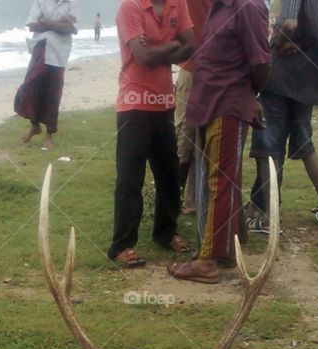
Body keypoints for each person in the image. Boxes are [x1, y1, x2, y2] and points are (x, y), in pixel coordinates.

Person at [169, 0, 270, 284]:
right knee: (218, 181)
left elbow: (260, 62)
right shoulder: (220, 6)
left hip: (229, 104)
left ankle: (207, 263)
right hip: (209, 103)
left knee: (221, 181)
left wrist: (252, 96)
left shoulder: (248, 6)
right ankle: (223, 250)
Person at [107, 0, 195, 269]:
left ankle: (166, 232)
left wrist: (159, 50)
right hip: (133, 103)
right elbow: (142, 58)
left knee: (169, 172)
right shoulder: (131, 7)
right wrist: (172, 48)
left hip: (164, 104)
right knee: (130, 177)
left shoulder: (177, 4)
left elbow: (191, 46)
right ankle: (122, 245)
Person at [246, 0, 318, 235]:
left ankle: (271, 218)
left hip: (283, 75)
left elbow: (289, 24)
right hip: (312, 78)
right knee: (305, 144)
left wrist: (275, 45)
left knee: (268, 146)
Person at [15, 0, 80, 149]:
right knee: (29, 88)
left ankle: (49, 135)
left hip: (59, 53)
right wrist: (59, 24)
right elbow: (32, 25)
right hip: (40, 48)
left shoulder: (73, 3)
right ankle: (35, 125)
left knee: (53, 94)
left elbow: (72, 29)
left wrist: (45, 21)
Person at [173, 0, 213, 215]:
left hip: (212, 70)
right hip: (195, 69)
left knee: (201, 140)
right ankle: (177, 198)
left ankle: (191, 200)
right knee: (186, 140)